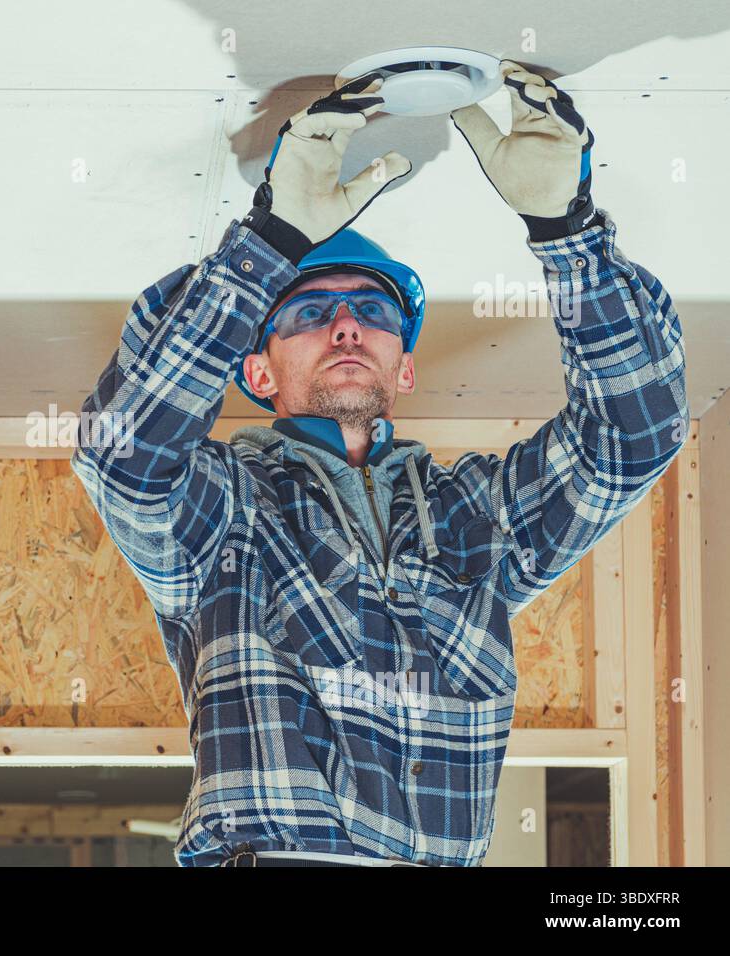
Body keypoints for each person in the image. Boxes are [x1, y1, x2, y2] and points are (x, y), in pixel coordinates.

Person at [71, 62, 688, 867]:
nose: (347, 327)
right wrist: (268, 243)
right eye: (309, 313)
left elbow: (631, 440)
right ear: (259, 376)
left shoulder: (476, 522)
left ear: (403, 370)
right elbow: (125, 454)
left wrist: (566, 231)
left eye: (371, 311)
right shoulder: (224, 519)